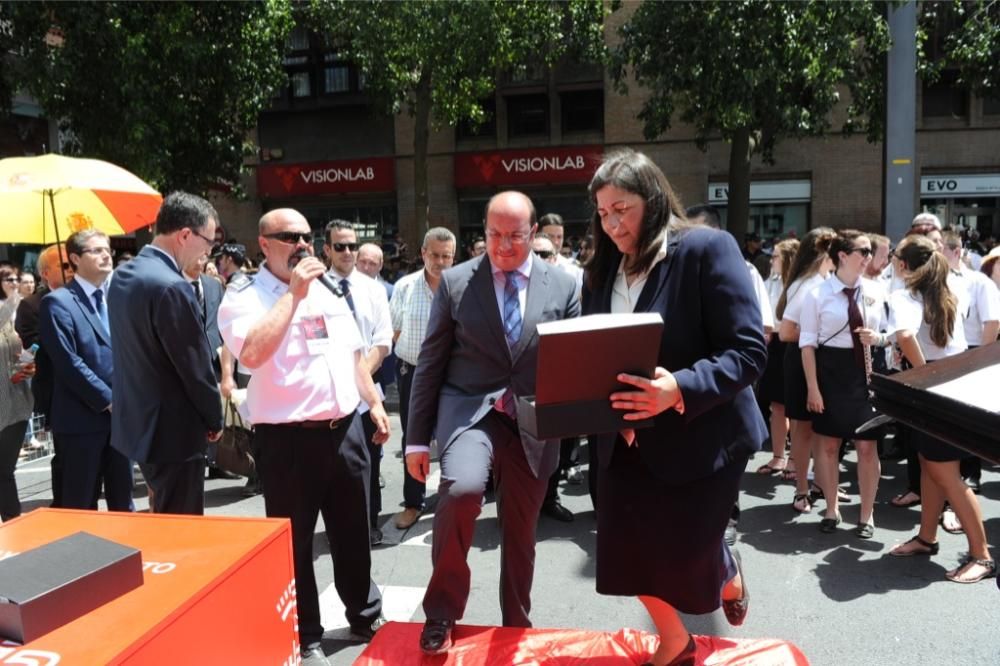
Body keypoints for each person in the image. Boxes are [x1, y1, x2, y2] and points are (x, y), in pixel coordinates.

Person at [583, 150, 766, 666]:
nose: (613, 224)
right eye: (603, 213)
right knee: (627, 553)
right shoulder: (599, 272)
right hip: (621, 440)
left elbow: (749, 351)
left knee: (689, 552)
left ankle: (722, 565)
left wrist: (677, 388)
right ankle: (675, 640)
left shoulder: (708, 249)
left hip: (702, 436)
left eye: (622, 208)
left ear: (655, 199)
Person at [406, 191, 579, 655]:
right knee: (461, 492)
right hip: (471, 412)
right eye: (494, 234)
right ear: (482, 232)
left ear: (534, 232)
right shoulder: (457, 282)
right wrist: (416, 441)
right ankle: (441, 611)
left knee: (521, 530)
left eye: (515, 235)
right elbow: (430, 363)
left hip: (532, 420)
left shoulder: (563, 287)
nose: (503, 245)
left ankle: (516, 622)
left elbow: (571, 365)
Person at [218, 209, 390, 665]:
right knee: (294, 544)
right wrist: (292, 296)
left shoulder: (330, 290)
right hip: (287, 441)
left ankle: (363, 610)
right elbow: (251, 352)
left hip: (345, 430)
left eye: (307, 236)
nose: (302, 244)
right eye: (289, 236)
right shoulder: (245, 296)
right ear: (264, 243)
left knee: (354, 531)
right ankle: (306, 632)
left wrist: (373, 404)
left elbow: (354, 357)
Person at [887, 235, 995, 584]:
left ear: (903, 265)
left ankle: (982, 555)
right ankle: (926, 537)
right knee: (930, 465)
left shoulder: (905, 294)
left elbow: (905, 335)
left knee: (946, 474)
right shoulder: (950, 287)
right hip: (954, 383)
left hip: (934, 388)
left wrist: (923, 378)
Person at [108, 192, 224, 515]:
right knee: (182, 532)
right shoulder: (172, 286)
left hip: (139, 426)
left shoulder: (123, 275)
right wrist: (215, 418)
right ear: (186, 235)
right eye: (208, 243)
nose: (208, 251)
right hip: (174, 433)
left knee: (164, 520)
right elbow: (195, 368)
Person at [799, 230, 889, 537]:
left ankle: (867, 514)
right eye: (862, 251)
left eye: (869, 251)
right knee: (829, 444)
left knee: (867, 446)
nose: (868, 257)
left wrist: (877, 338)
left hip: (866, 371)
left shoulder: (877, 290)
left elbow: (890, 334)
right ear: (842, 256)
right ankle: (831, 508)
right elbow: (807, 344)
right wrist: (812, 387)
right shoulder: (816, 294)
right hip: (830, 372)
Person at [38, 230, 132, 511]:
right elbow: (69, 362)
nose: (106, 255)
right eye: (97, 250)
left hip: (120, 421)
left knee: (123, 503)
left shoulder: (116, 298)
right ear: (75, 259)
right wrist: (109, 399)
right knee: (80, 504)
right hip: (80, 422)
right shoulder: (58, 302)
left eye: (108, 249)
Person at [324, 221, 393, 548]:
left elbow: (382, 342)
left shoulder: (374, 290)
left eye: (352, 245)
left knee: (368, 462)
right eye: (340, 246)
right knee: (333, 467)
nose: (348, 252)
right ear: (327, 250)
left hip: (367, 396)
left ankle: (368, 525)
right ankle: (338, 530)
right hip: (329, 396)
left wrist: (358, 377)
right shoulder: (314, 289)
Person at [389, 227, 456, 531]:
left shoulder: (464, 288)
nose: (441, 262)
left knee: (453, 437)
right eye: (435, 255)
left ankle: (454, 500)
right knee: (413, 439)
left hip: (452, 374)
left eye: (447, 256)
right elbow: (394, 331)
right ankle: (413, 503)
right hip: (413, 372)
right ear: (423, 253)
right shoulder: (404, 287)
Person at [777, 227, 837, 513]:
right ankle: (801, 489)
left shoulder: (823, 281)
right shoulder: (807, 284)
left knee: (819, 429)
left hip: (817, 360)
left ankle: (823, 484)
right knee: (803, 429)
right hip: (802, 360)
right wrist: (815, 332)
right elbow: (786, 331)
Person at [15, 244, 72, 507]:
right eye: (64, 266)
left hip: (89, 391)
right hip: (55, 389)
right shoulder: (31, 305)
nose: (71, 270)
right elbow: (34, 346)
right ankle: (62, 504)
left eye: (72, 264)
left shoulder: (80, 297)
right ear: (46, 273)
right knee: (64, 453)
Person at [755, 239, 799, 475]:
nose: (771, 260)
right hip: (773, 346)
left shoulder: (799, 286)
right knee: (777, 406)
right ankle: (778, 456)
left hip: (792, 345)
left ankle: (794, 460)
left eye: (776, 256)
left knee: (795, 406)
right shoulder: (769, 283)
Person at [0, 268, 34, 521]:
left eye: (15, 278)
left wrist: (27, 364)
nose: (14, 282)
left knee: (5, 471)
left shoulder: (15, 314)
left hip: (17, 404)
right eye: (7, 278)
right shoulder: (7, 312)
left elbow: (17, 355)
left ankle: (13, 528)